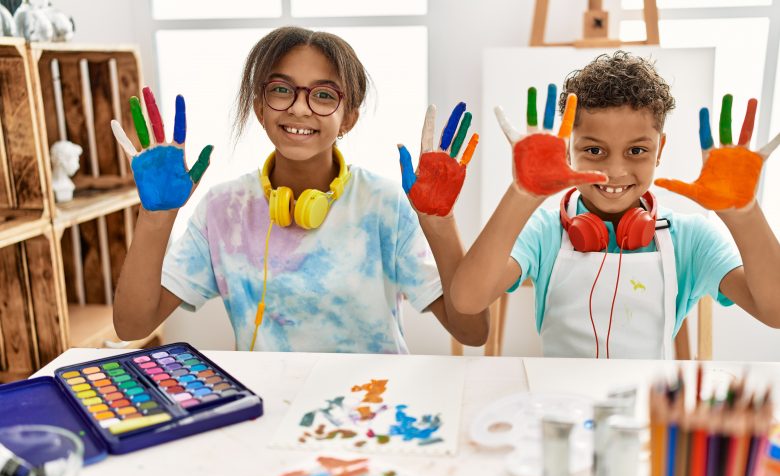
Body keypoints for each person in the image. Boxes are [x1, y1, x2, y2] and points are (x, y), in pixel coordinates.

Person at [111, 26, 488, 353]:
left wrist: (440, 222)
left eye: (324, 95)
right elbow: (132, 326)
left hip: (373, 410)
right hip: (268, 410)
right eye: (281, 90)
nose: (300, 109)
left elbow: (473, 332)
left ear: (349, 118)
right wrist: (156, 218)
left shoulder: (384, 204)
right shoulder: (223, 209)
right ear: (260, 107)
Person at [451, 51, 780, 359]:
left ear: (660, 149)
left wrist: (744, 214)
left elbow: (775, 311)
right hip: (560, 409)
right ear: (567, 149)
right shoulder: (543, 231)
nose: (614, 172)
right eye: (594, 151)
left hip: (644, 414)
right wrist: (522, 194)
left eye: (637, 151)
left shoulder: (691, 239)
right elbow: (467, 299)